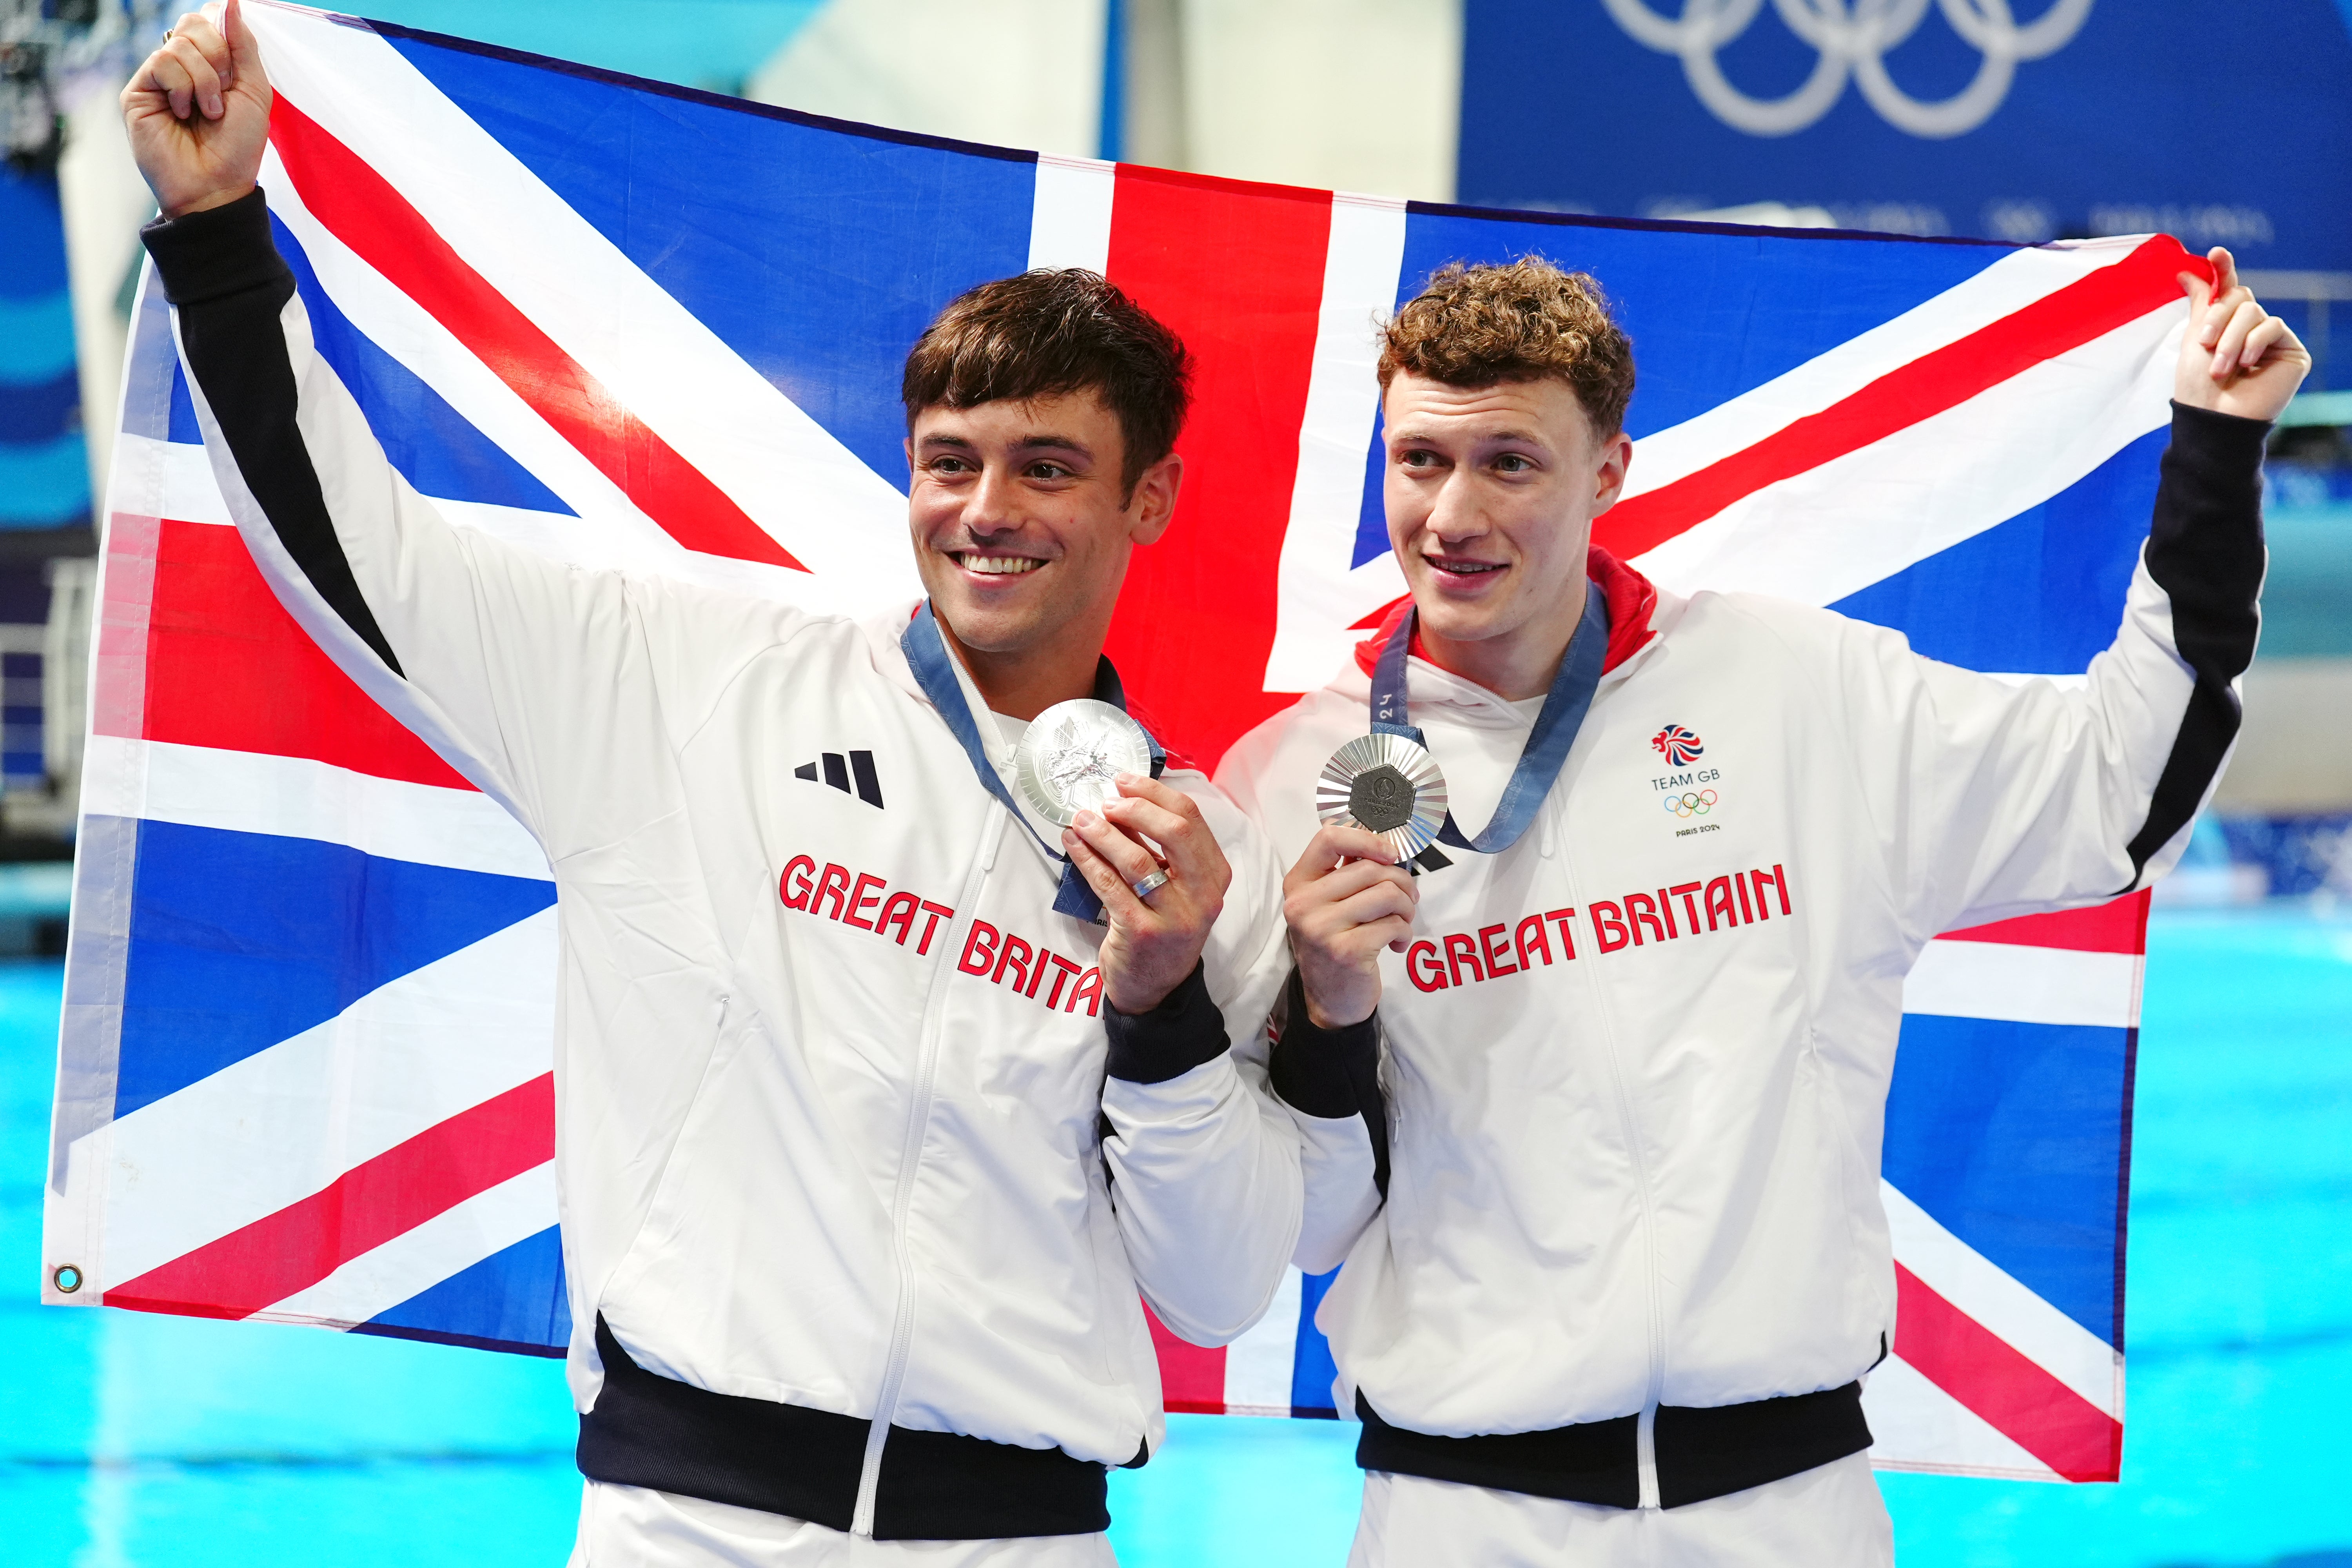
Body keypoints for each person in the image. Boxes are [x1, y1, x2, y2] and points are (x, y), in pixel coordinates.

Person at [124, 6, 1303, 1563]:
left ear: (1146, 496)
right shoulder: (689, 681)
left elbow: (1219, 1287)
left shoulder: (1197, 853)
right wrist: (219, 233)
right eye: (949, 461)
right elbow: (365, 554)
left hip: (1019, 1534)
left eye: (1048, 467)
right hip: (689, 1520)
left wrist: (1164, 1013)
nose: (984, 510)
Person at [1218, 252, 2306, 1565]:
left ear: (1610, 471)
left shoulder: (1795, 691)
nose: (1451, 513)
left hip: (1787, 1511)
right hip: (1465, 1516)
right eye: (1420, 461)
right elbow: (1301, 1220)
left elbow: (2116, 791)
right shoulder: (1288, 785)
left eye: (1510, 461)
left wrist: (2214, 450)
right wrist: (1325, 1023)